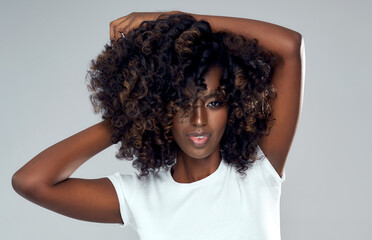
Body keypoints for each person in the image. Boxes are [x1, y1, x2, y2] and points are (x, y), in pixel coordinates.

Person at [12, 11, 304, 240]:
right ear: (157, 108)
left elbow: (290, 47)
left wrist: (184, 22)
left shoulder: (258, 172)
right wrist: (130, 113)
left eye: (214, 103)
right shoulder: (140, 196)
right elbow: (31, 182)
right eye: (181, 103)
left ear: (233, 105)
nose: (199, 120)